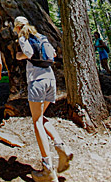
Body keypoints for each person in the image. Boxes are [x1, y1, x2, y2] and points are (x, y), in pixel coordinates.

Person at [14, 16, 73, 182]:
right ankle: (61, 147)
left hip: (37, 81)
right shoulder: (41, 36)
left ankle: (48, 169)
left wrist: (19, 55)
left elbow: (28, 53)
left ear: (18, 27)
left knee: (37, 122)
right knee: (41, 117)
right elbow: (53, 53)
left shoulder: (23, 37)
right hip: (50, 79)